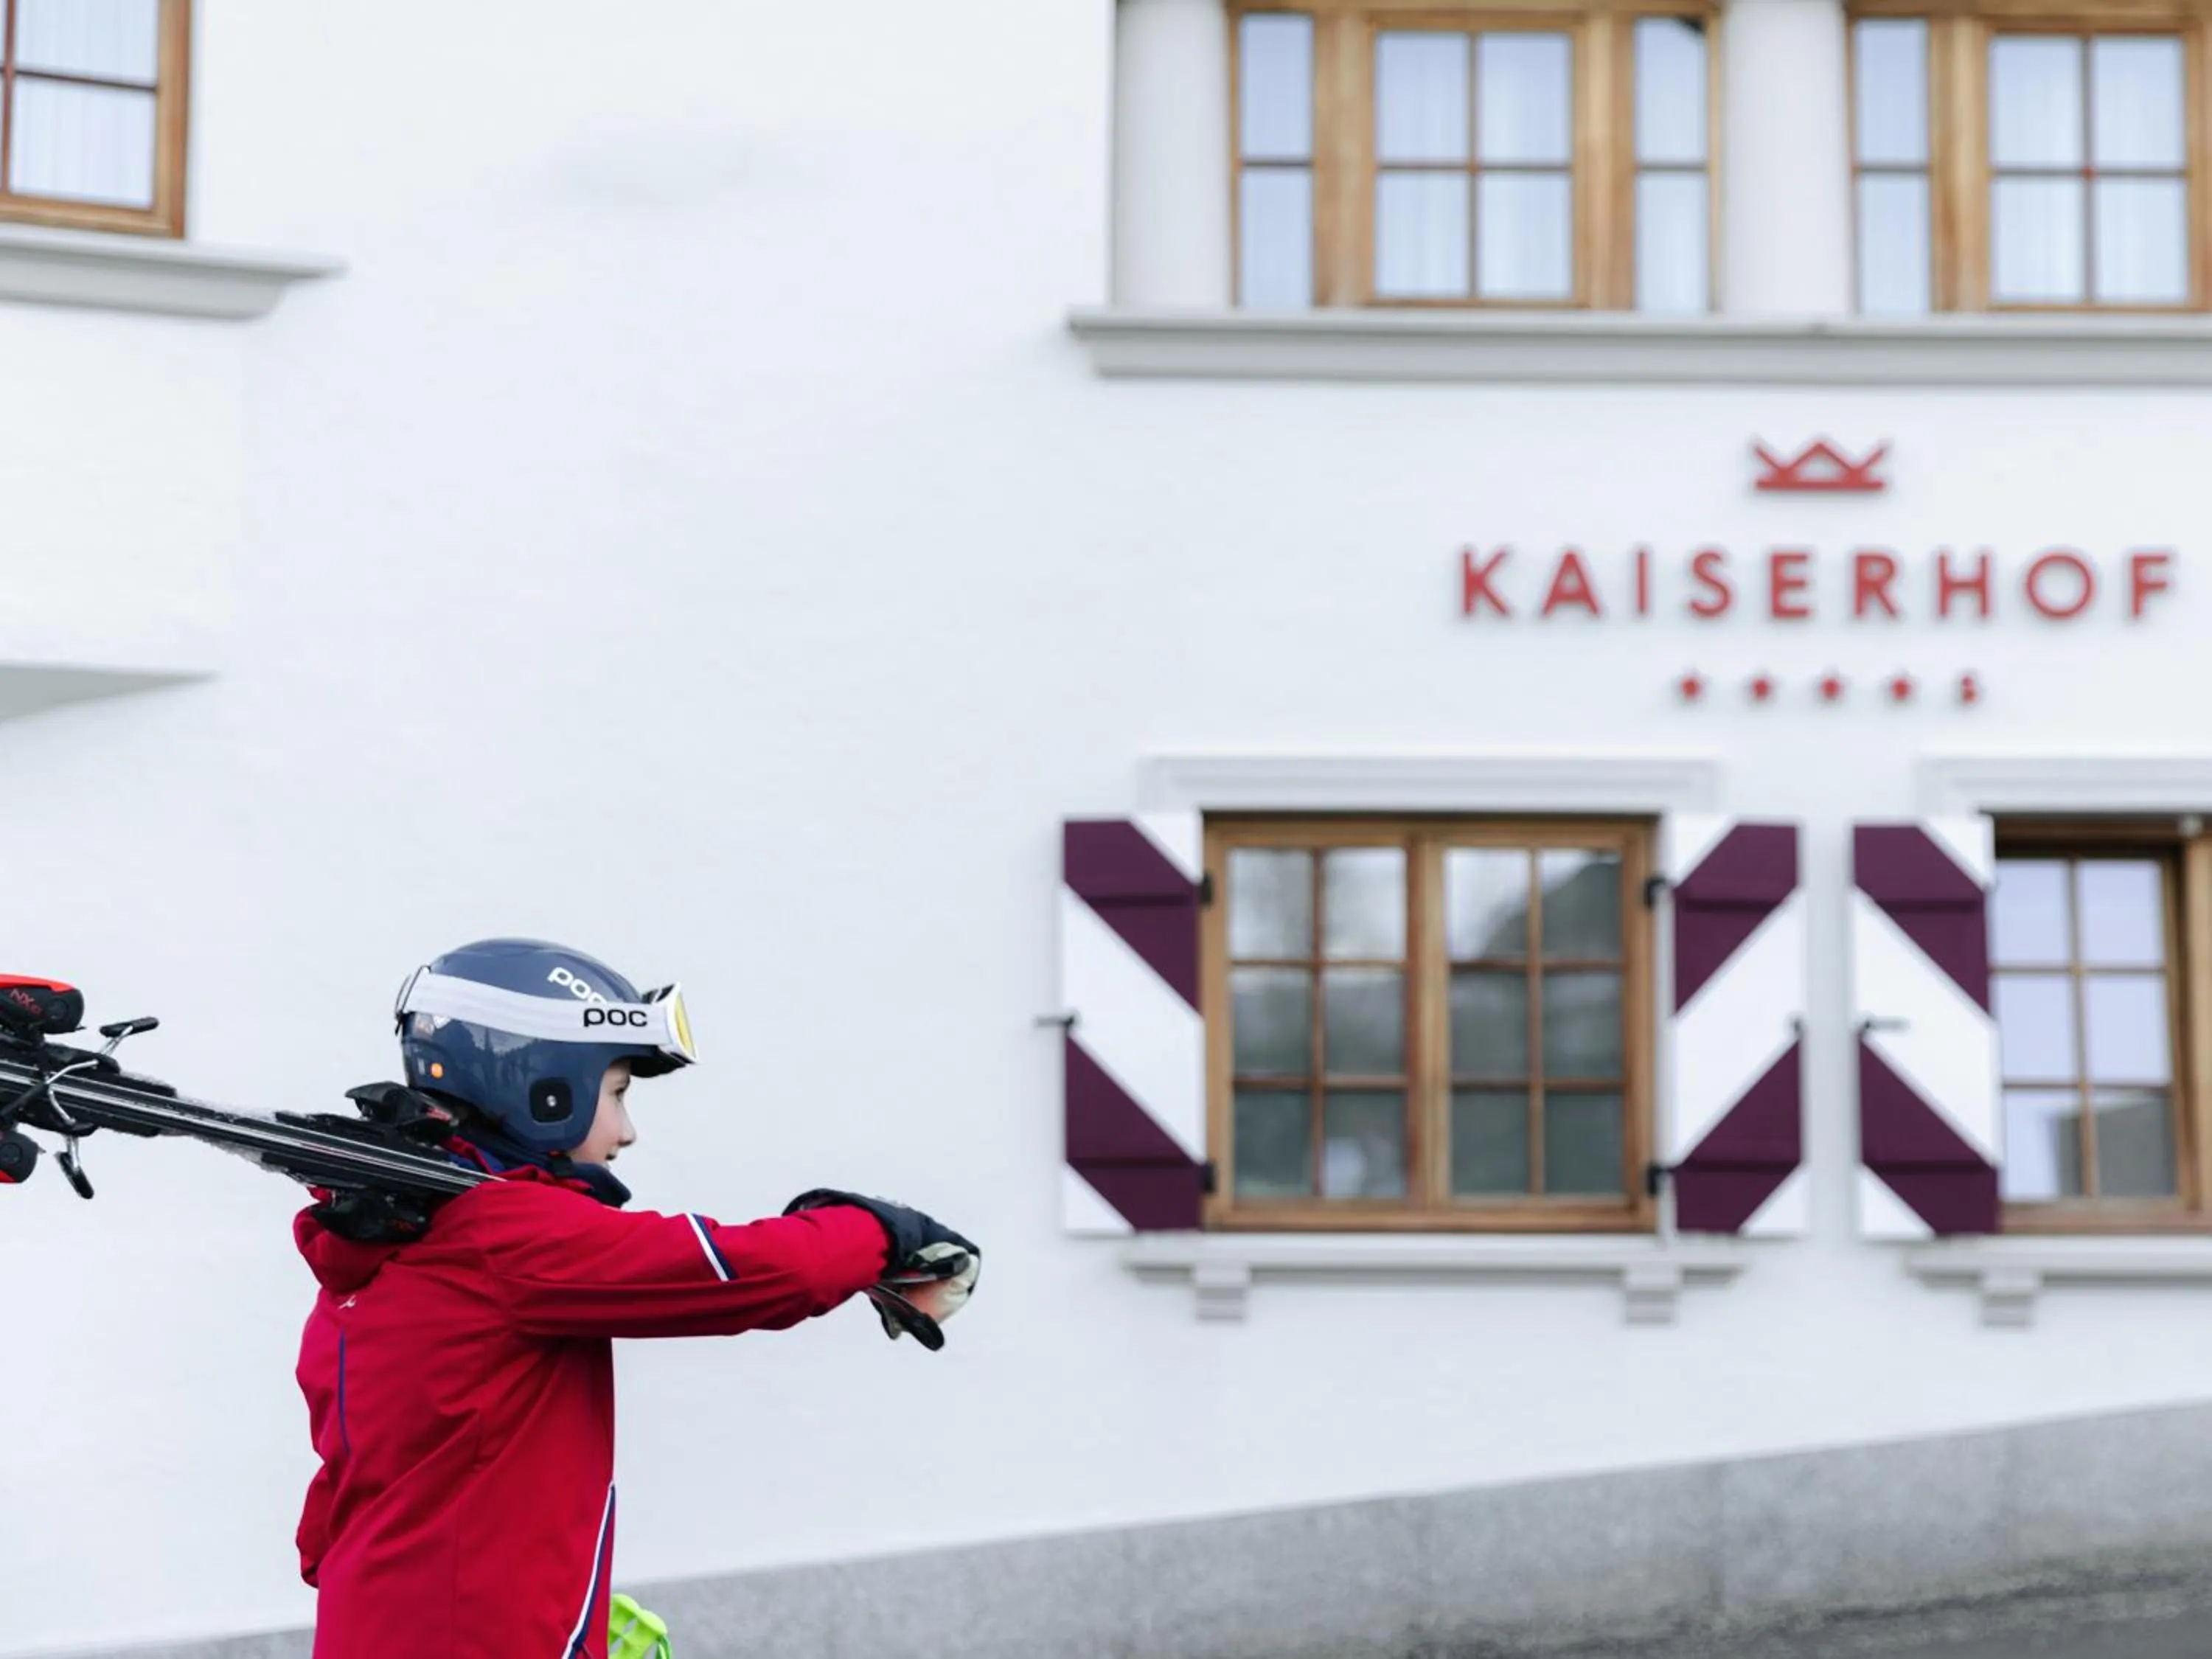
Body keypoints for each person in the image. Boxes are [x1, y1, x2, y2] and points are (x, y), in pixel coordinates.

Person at [291, 938, 979, 1658]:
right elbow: (754, 1273)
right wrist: (884, 1231)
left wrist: (557, 1600)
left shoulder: (387, 1249)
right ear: (545, 1088)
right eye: (618, 1092)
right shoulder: (505, 1236)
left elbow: (339, 1507)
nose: (627, 1131)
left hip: (380, 1626)